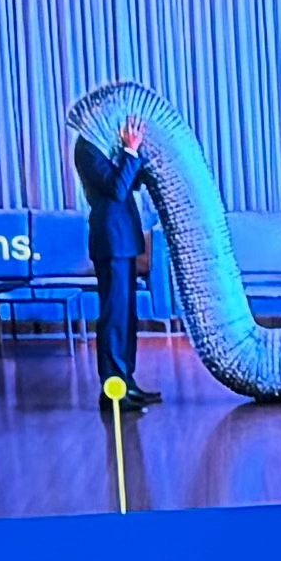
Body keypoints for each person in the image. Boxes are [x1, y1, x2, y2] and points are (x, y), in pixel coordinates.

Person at [71, 115, 169, 410]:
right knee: (114, 316)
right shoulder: (87, 148)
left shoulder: (107, 147)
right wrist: (129, 151)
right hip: (110, 241)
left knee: (127, 316)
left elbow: (131, 182)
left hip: (124, 241)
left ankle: (127, 381)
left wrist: (136, 156)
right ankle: (113, 389)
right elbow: (116, 188)